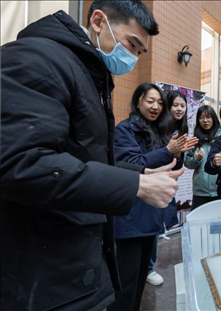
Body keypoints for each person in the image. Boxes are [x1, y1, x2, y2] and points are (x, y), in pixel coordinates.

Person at [0, 2, 183, 310]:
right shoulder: (39, 59)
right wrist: (136, 187)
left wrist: (139, 175)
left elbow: (87, 159)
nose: (133, 58)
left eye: (140, 53)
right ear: (99, 21)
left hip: (75, 262)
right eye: (131, 45)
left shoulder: (91, 75)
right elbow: (22, 162)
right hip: (39, 274)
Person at [111, 83, 197, 310]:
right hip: (131, 211)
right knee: (126, 280)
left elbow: (168, 166)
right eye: (150, 101)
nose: (156, 107)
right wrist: (168, 151)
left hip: (152, 212)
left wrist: (177, 154)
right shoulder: (125, 130)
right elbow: (133, 165)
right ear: (137, 101)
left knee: (140, 278)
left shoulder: (160, 131)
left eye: (160, 103)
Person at [146, 90, 188, 287]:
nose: (179, 109)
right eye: (175, 105)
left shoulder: (180, 129)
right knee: (148, 225)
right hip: (147, 181)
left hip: (165, 182)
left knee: (155, 225)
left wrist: (179, 156)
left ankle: (147, 266)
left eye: (182, 105)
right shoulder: (155, 128)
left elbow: (178, 164)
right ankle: (147, 268)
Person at [185, 105, 221, 209]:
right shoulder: (195, 140)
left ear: (214, 119)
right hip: (200, 192)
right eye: (201, 117)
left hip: (219, 191)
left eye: (208, 117)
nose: (205, 120)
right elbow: (187, 163)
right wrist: (196, 159)